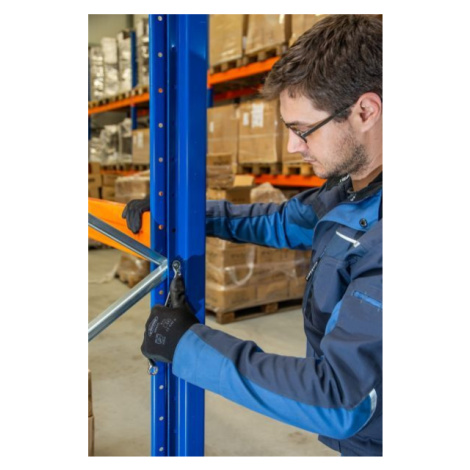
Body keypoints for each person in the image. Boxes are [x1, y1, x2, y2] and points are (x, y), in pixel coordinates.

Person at [123, 14, 382, 457]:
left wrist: (187, 345)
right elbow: (281, 222)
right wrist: (187, 216)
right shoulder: (350, 191)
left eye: (303, 131)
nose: (293, 148)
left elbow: (342, 399)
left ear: (365, 112)